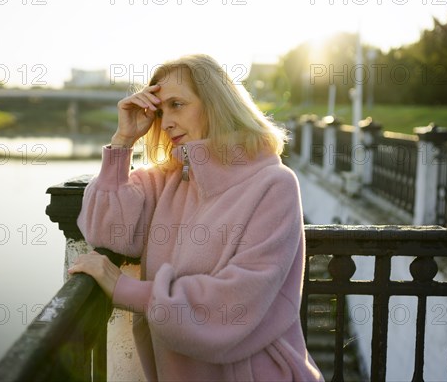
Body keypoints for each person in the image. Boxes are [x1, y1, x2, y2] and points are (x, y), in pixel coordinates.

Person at [69, 54, 324, 382]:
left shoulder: (274, 184)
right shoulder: (172, 178)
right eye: (160, 111)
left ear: (217, 104)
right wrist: (123, 142)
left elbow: (233, 302)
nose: (167, 121)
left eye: (178, 104)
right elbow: (107, 232)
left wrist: (125, 290)